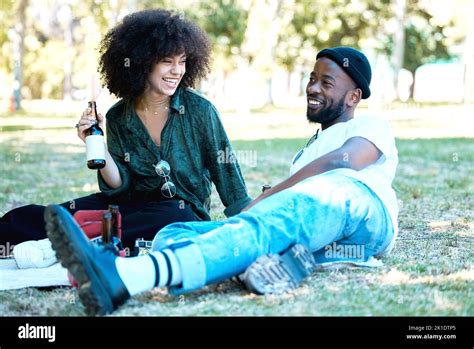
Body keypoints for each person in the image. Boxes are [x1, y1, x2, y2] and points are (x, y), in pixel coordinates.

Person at [45, 46, 399, 316]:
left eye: (326, 82)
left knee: (296, 206)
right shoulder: (305, 153)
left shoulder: (369, 125)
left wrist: (266, 198)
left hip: (360, 211)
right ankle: (253, 267)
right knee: (175, 233)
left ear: (354, 96)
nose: (313, 87)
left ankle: (128, 276)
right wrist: (270, 204)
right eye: (311, 78)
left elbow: (341, 163)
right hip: (320, 232)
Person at [0, 9, 251, 267]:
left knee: (174, 214)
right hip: (128, 207)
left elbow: (228, 176)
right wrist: (94, 144)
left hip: (178, 214)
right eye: (167, 61)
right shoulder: (119, 115)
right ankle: (44, 238)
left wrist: (249, 225)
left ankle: (57, 246)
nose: (177, 70)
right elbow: (119, 183)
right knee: (44, 215)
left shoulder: (200, 111)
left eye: (183, 61)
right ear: (142, 61)